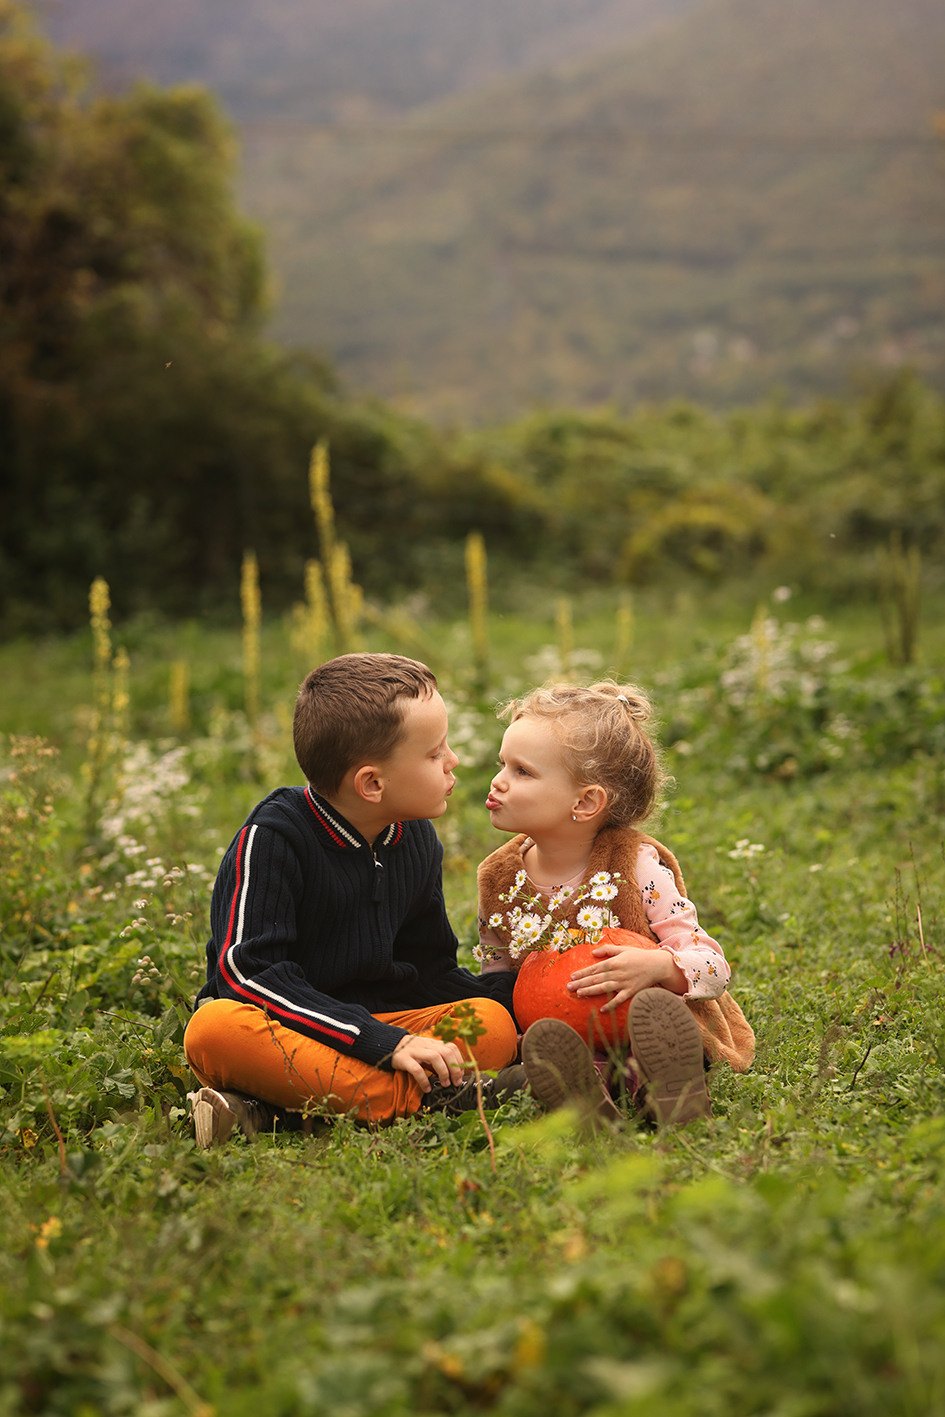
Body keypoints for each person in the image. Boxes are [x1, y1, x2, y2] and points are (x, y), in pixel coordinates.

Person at [185, 653, 523, 1147]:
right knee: (212, 1030)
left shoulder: (415, 839)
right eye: (434, 754)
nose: (453, 761)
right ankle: (451, 1099)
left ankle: (278, 1112)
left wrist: (524, 1000)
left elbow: (429, 972)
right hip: (288, 1028)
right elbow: (249, 976)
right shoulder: (274, 837)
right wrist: (383, 1044)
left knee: (487, 1022)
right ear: (371, 783)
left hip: (381, 1027)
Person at [476, 680, 754, 1126]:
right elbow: (496, 972)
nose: (498, 781)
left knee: (651, 1044)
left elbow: (714, 966)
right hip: (565, 1032)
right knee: (555, 1058)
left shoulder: (635, 866)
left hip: (647, 1027)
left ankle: (667, 1085)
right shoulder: (498, 876)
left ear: (586, 801)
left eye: (522, 772)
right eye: (501, 764)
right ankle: (585, 1091)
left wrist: (662, 968)